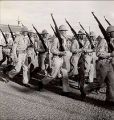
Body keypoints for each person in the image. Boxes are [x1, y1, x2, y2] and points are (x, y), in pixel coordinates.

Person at [81, 25, 114, 104]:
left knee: (111, 81)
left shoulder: (112, 41)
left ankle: (110, 99)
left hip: (109, 63)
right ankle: (85, 90)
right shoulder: (103, 41)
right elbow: (98, 53)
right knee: (99, 83)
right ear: (109, 33)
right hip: (102, 64)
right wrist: (110, 54)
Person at [38, 25, 71, 94]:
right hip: (56, 58)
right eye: (63, 31)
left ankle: (66, 90)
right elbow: (52, 50)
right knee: (53, 75)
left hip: (62, 58)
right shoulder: (56, 39)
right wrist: (60, 53)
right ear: (60, 32)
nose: (65, 32)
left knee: (65, 74)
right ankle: (42, 83)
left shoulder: (64, 39)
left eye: (65, 31)